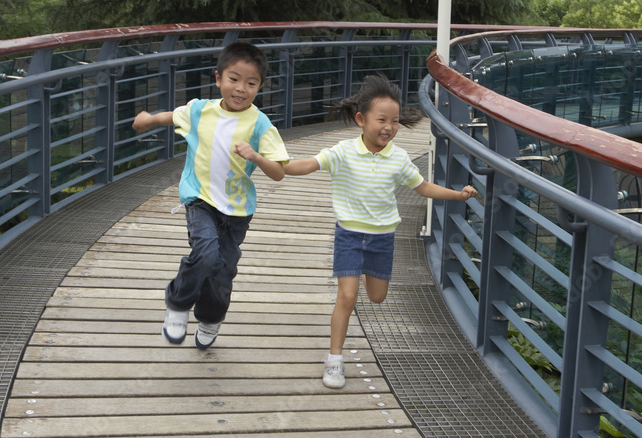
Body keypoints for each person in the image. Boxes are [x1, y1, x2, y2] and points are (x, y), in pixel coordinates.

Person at [284, 75, 478, 388]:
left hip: (382, 239)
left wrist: (457, 195)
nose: (388, 127)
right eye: (382, 120)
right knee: (347, 296)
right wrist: (270, 163)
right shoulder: (343, 151)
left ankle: (359, 276)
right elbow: (307, 165)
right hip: (349, 235)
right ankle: (334, 360)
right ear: (361, 120)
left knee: (377, 297)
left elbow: (423, 187)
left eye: (395, 121)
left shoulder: (398, 158)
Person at [132, 41, 290, 349]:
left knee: (222, 272)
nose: (241, 88)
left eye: (251, 83)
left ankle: (210, 318)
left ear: (259, 87)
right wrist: (149, 119)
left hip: (237, 212)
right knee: (205, 254)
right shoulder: (199, 110)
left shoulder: (260, 123)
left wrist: (256, 156)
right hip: (199, 199)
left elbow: (278, 172)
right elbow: (172, 116)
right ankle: (178, 303)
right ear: (218, 78)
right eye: (234, 79)